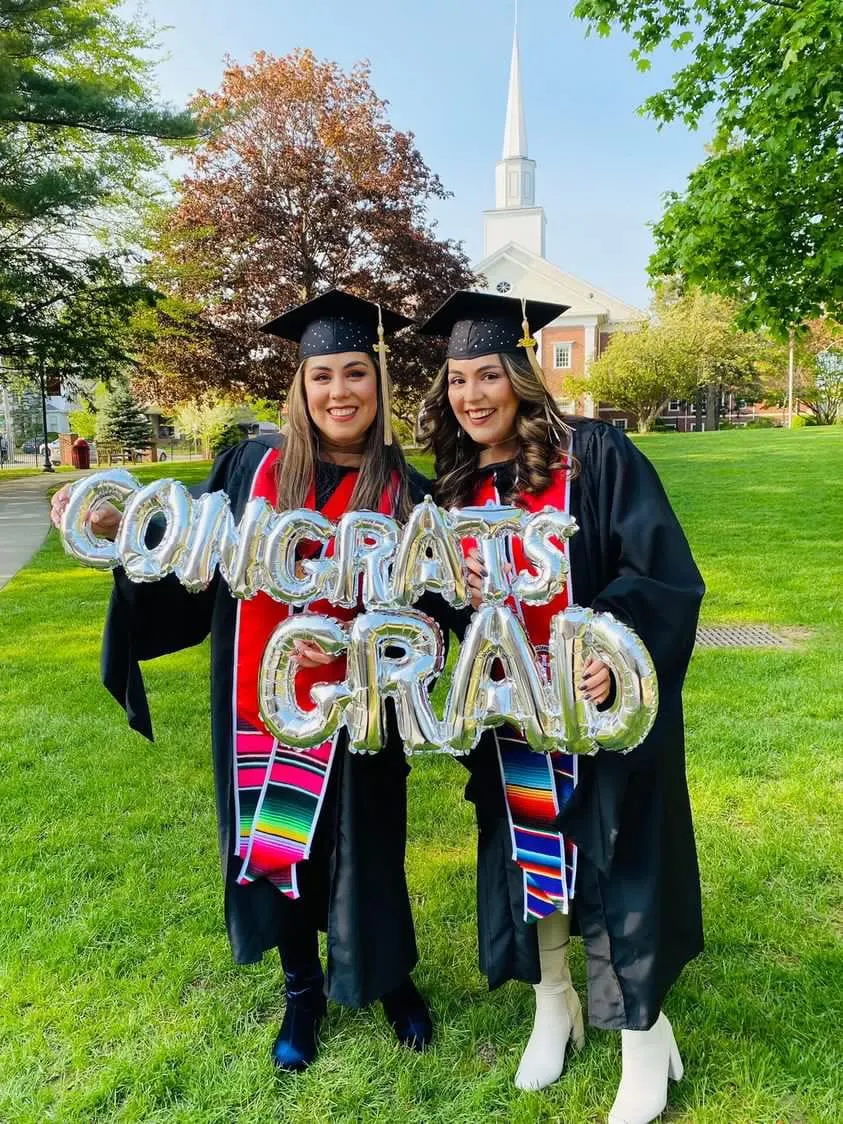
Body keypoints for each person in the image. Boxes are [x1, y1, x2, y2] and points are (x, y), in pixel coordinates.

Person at [51, 289, 434, 1072]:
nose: (338, 392)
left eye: (355, 373)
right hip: (264, 706)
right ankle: (302, 990)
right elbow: (183, 547)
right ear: (300, 385)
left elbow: (445, 600)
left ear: (378, 383)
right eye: (321, 374)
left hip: (361, 713)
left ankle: (388, 977)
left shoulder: (407, 491)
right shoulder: (251, 467)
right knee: (280, 849)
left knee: (369, 848)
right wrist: (115, 525)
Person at [417, 290, 704, 1124]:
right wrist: (444, 587)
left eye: (486, 376)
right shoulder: (457, 484)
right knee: (527, 852)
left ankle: (641, 1036)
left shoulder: (599, 456)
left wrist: (612, 658)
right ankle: (554, 1004)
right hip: (511, 714)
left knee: (616, 861)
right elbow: (437, 614)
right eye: (457, 380)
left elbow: (660, 573)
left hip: (597, 714)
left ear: (519, 376)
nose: (471, 395)